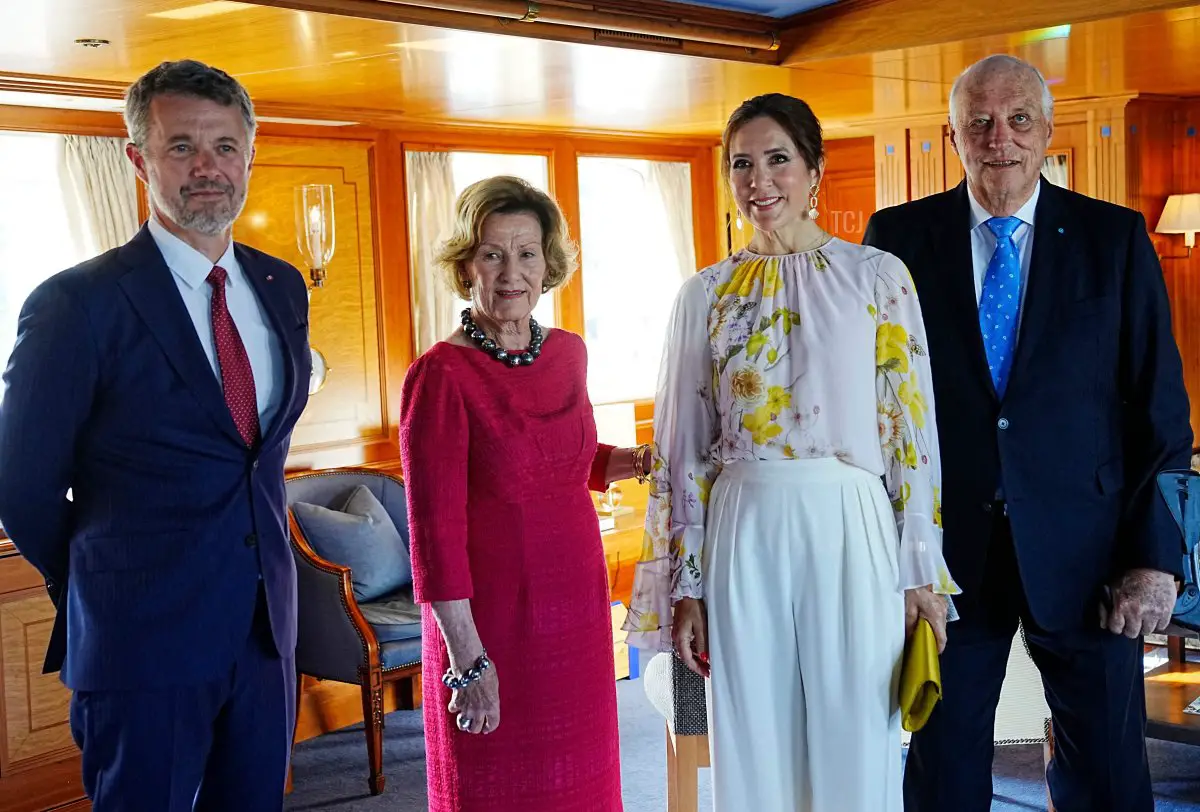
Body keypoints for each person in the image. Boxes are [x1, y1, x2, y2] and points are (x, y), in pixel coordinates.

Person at [863, 54, 1193, 811]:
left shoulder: (1114, 239)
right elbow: (872, 402)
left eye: (1017, 120)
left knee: (1108, 777)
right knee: (942, 772)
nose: (998, 138)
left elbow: (1161, 413)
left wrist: (1153, 559)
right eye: (978, 122)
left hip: (1092, 557)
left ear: (1046, 131)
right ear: (954, 137)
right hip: (946, 561)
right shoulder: (898, 239)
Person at [623, 93, 959, 811]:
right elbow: (684, 451)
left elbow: (911, 434)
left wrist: (919, 572)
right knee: (754, 736)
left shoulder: (879, 277)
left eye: (778, 159)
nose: (759, 180)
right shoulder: (702, 295)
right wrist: (687, 585)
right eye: (742, 163)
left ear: (815, 170)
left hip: (852, 522)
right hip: (743, 526)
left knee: (856, 729)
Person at [0, 60, 311, 810]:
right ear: (138, 159)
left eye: (225, 146)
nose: (208, 168)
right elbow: (21, 484)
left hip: (266, 636)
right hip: (139, 642)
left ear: (250, 154)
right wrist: (101, 580)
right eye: (181, 147)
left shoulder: (280, 287)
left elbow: (255, 460)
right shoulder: (78, 305)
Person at [398, 175, 646, 812]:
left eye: (527, 254)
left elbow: (574, 460)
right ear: (465, 265)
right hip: (490, 627)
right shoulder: (441, 374)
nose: (512, 272)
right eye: (492, 254)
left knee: (583, 784)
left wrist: (644, 459)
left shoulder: (568, 354)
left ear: (548, 264)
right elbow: (434, 534)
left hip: (577, 611)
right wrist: (469, 660)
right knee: (495, 788)